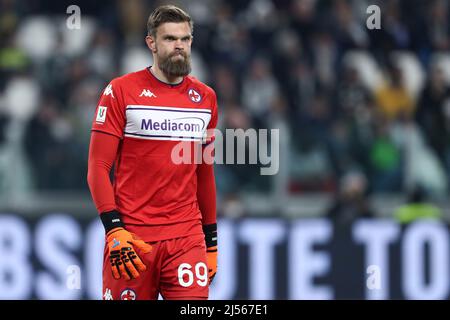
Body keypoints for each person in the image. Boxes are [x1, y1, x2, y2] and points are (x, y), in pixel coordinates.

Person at [87, 5, 218, 300]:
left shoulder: (205, 99)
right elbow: (97, 167)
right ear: (151, 43)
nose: (179, 46)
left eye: (185, 39)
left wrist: (210, 242)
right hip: (132, 239)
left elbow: (204, 173)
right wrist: (113, 230)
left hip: (186, 239)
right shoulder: (121, 91)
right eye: (170, 39)